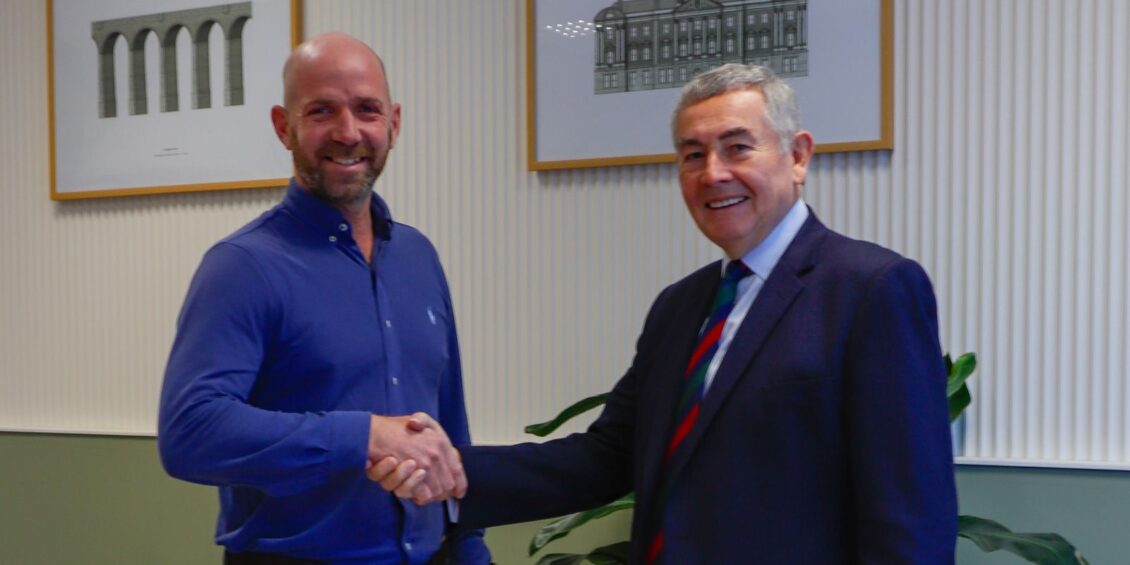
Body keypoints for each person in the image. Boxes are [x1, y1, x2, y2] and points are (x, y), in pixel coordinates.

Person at [375, 64, 957, 563]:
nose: (713, 173)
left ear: (798, 156)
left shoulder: (871, 290)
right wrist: (450, 471)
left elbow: (909, 515)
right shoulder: (681, 306)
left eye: (737, 148)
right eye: (692, 155)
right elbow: (608, 458)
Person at [157, 32, 488, 565]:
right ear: (283, 127)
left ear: (394, 124)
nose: (348, 132)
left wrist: (471, 548)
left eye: (367, 110)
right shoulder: (242, 266)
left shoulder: (418, 257)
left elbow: (450, 426)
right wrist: (364, 436)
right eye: (321, 111)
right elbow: (191, 433)